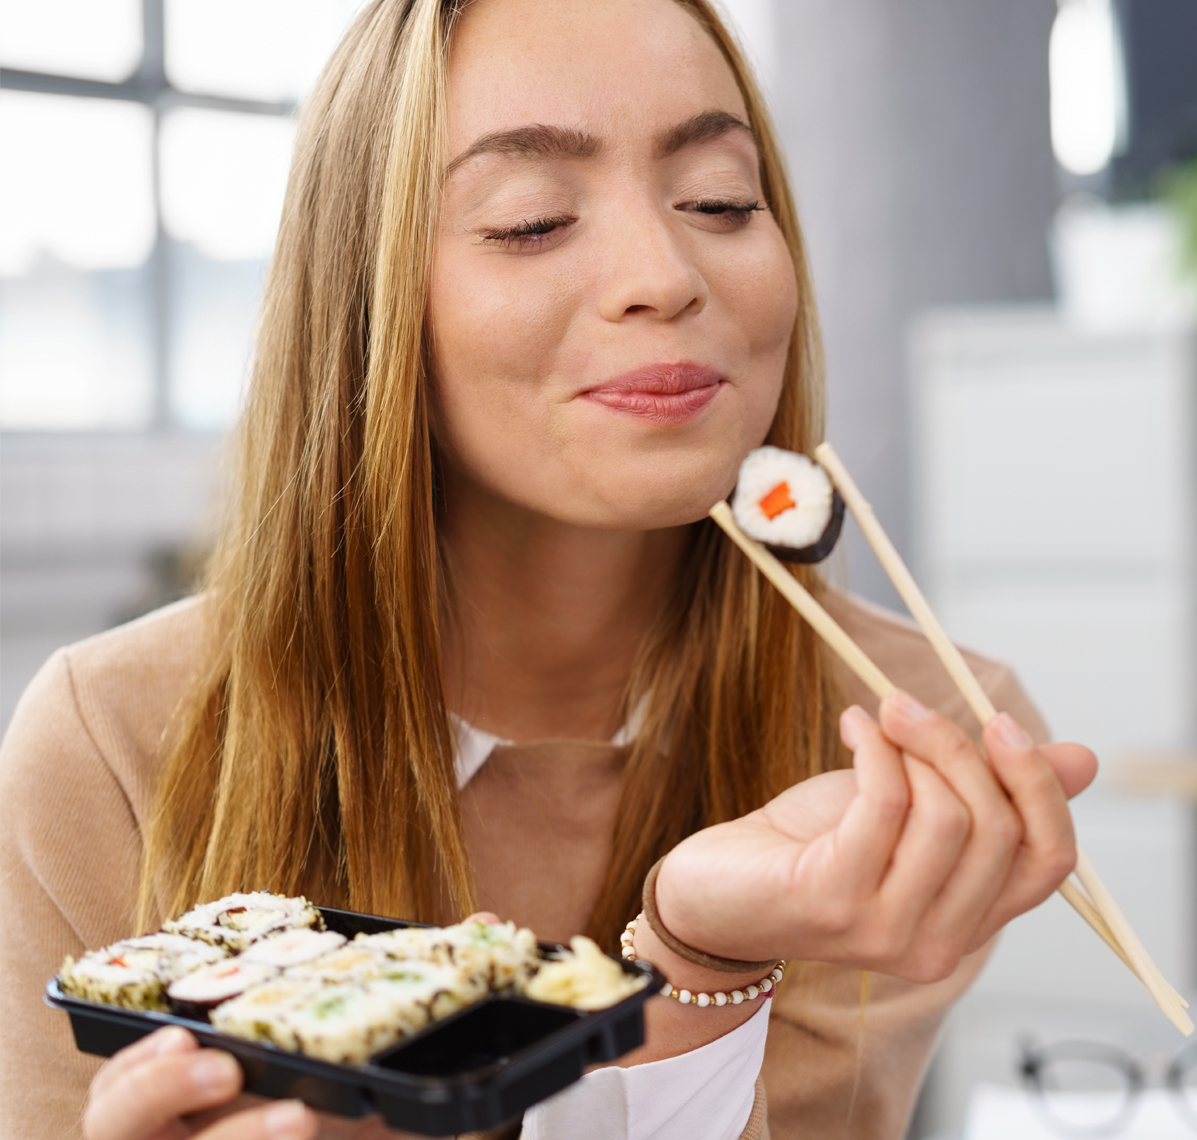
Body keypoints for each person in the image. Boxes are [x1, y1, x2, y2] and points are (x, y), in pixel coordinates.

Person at [0, 0, 1097, 1137]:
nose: (662, 274)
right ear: (367, 301)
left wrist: (701, 961)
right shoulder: (114, 742)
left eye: (720, 199)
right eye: (530, 222)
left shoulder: (902, 746)